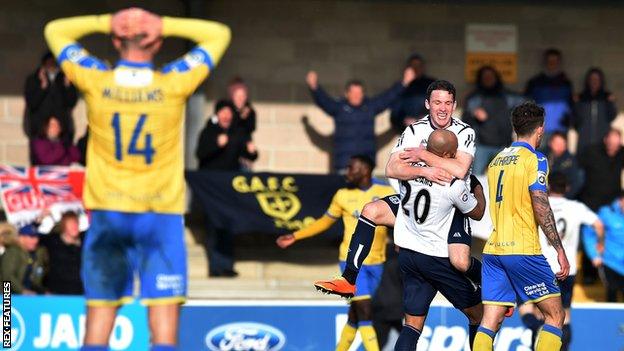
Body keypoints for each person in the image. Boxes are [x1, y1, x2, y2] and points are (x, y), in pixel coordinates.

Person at [45, 7, 230, 351]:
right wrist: (164, 24)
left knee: (99, 321)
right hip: (159, 214)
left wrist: (104, 21)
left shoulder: (96, 80)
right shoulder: (173, 83)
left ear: (115, 41)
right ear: (157, 44)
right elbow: (219, 34)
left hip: (108, 213)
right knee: (163, 327)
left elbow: (56, 30)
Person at [315, 80, 482, 298]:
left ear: (454, 105)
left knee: (460, 262)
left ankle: (491, 285)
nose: (442, 108)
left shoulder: (464, 131)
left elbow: (460, 169)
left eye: (448, 103)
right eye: (437, 102)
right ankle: (348, 279)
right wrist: (425, 172)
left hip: (450, 207)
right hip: (413, 202)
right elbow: (392, 168)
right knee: (370, 210)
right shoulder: (414, 130)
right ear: (427, 104)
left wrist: (422, 156)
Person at [473, 101, 570, 351]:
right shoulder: (535, 159)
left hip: (494, 251)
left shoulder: (496, 160)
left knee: (489, 322)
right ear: (540, 130)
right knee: (555, 316)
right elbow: (540, 203)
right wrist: (558, 248)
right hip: (523, 250)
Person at [277, 155, 393, 351]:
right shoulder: (342, 195)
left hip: (377, 262)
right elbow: (324, 221)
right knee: (365, 310)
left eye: (351, 168)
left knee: (356, 315)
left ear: (365, 170)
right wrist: (296, 236)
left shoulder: (386, 191)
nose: (347, 173)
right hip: (351, 262)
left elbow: (400, 219)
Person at [393, 129, 486, 350]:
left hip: (408, 254)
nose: (456, 157)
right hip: (436, 257)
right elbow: (477, 212)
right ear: (446, 155)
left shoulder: (408, 172)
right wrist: (477, 188)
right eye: (454, 153)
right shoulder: (452, 183)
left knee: (412, 325)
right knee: (479, 316)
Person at [519, 172, 604, 351]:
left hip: (542, 268)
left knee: (539, 313)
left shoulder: (538, 205)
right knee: (564, 315)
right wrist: (600, 246)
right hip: (567, 270)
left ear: (548, 187)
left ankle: (538, 341)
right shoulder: (576, 207)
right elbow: (598, 224)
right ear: (567, 188)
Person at [305, 68, 415, 173]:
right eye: (354, 93)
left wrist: (404, 83)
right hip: (344, 165)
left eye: (359, 93)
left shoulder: (369, 107)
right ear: (347, 94)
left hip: (366, 164)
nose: (357, 96)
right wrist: (314, 87)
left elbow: (387, 97)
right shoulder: (339, 108)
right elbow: (324, 101)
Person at [578, 128, 624, 284]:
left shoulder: (621, 153)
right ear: (605, 140)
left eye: (617, 145)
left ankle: (610, 274)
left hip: (611, 206)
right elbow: (578, 170)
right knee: (589, 237)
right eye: (611, 144)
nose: (613, 148)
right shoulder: (591, 152)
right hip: (592, 202)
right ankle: (589, 275)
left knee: (611, 238)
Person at [463, 66, 524, 174]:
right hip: (481, 145)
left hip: (503, 144)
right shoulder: (474, 97)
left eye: (491, 76)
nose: (488, 79)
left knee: (504, 178)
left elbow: (525, 105)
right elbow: (465, 121)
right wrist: (474, 113)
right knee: (476, 178)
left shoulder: (508, 96)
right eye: (485, 77)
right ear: (480, 79)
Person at [23, 51, 78, 143]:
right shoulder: (33, 80)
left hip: (61, 131)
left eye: (54, 63)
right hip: (40, 131)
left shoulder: (64, 79)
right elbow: (32, 103)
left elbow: (71, 102)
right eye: (49, 63)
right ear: (44, 65)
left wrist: (68, 86)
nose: (52, 66)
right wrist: (43, 87)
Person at [524, 48, 573, 146]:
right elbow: (526, 105)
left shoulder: (566, 83)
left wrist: (568, 121)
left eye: (555, 61)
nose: (552, 63)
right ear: (545, 62)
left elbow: (571, 105)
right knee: (539, 159)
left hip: (560, 130)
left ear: (559, 63)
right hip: (539, 130)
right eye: (550, 61)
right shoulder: (535, 82)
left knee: (558, 160)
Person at [584, 191, 624, 302]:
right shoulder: (606, 213)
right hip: (610, 262)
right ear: (621, 200)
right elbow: (589, 232)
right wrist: (594, 255)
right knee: (612, 295)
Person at [196, 99, 258, 171]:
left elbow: (249, 156)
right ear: (217, 114)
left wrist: (252, 152)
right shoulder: (208, 131)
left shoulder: (237, 133)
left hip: (229, 177)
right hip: (209, 176)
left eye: (229, 113)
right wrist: (216, 144)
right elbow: (200, 154)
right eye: (223, 112)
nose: (226, 116)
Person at [573, 67, 617, 154]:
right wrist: (576, 103)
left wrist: (610, 103)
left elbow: (611, 116)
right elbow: (575, 118)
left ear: (601, 81)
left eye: (597, 79)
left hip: (601, 140)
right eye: (592, 79)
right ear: (588, 81)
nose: (594, 81)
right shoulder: (581, 98)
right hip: (584, 141)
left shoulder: (606, 97)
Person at [389, 54, 436, 134]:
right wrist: (404, 120)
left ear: (423, 67)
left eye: (419, 66)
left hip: (427, 130)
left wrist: (422, 120)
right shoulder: (401, 86)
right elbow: (395, 110)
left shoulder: (432, 84)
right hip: (405, 130)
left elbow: (437, 106)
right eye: (413, 66)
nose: (416, 69)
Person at [41, 212, 84, 295]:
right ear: (64, 226)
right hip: (57, 293)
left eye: (76, 223)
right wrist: (38, 221)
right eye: (70, 223)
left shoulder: (84, 239)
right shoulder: (53, 240)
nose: (74, 226)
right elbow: (31, 237)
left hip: (80, 292)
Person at [2, 224, 48, 295]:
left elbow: (35, 279)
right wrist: (21, 291)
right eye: (31, 237)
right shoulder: (12, 252)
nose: (35, 240)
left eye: (36, 237)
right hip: (9, 295)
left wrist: (42, 292)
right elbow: (7, 277)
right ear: (21, 238)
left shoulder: (37, 253)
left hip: (29, 296)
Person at [546, 132, 584, 199]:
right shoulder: (542, 156)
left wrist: (564, 197)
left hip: (564, 197)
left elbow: (575, 183)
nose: (559, 147)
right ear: (550, 143)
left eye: (562, 144)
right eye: (557, 144)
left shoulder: (571, 160)